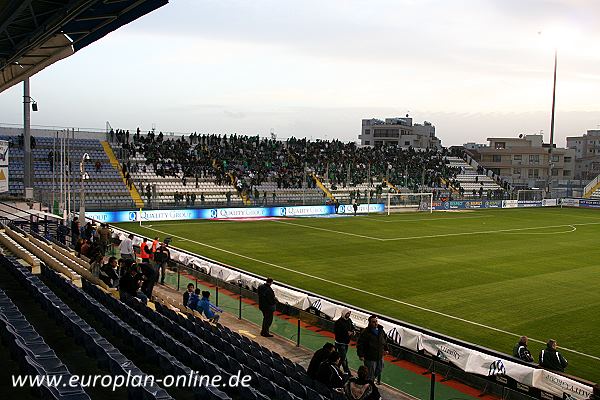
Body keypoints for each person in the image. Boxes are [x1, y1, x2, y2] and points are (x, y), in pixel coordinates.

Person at [357, 315, 388, 384]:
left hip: (379, 355)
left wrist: (386, 349)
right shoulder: (366, 332)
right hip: (370, 357)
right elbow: (360, 344)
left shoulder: (380, 330)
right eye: (373, 322)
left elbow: (384, 340)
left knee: (380, 369)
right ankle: (368, 386)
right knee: (370, 374)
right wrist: (361, 355)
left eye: (376, 321)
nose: (376, 323)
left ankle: (370, 383)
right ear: (370, 323)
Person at [335, 308, 354, 374]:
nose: (348, 315)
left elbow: (352, 327)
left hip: (346, 343)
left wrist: (352, 332)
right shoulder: (338, 322)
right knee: (343, 358)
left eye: (349, 313)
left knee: (342, 357)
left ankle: (337, 367)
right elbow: (337, 333)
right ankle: (346, 371)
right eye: (347, 313)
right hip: (340, 343)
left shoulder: (349, 320)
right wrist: (347, 333)